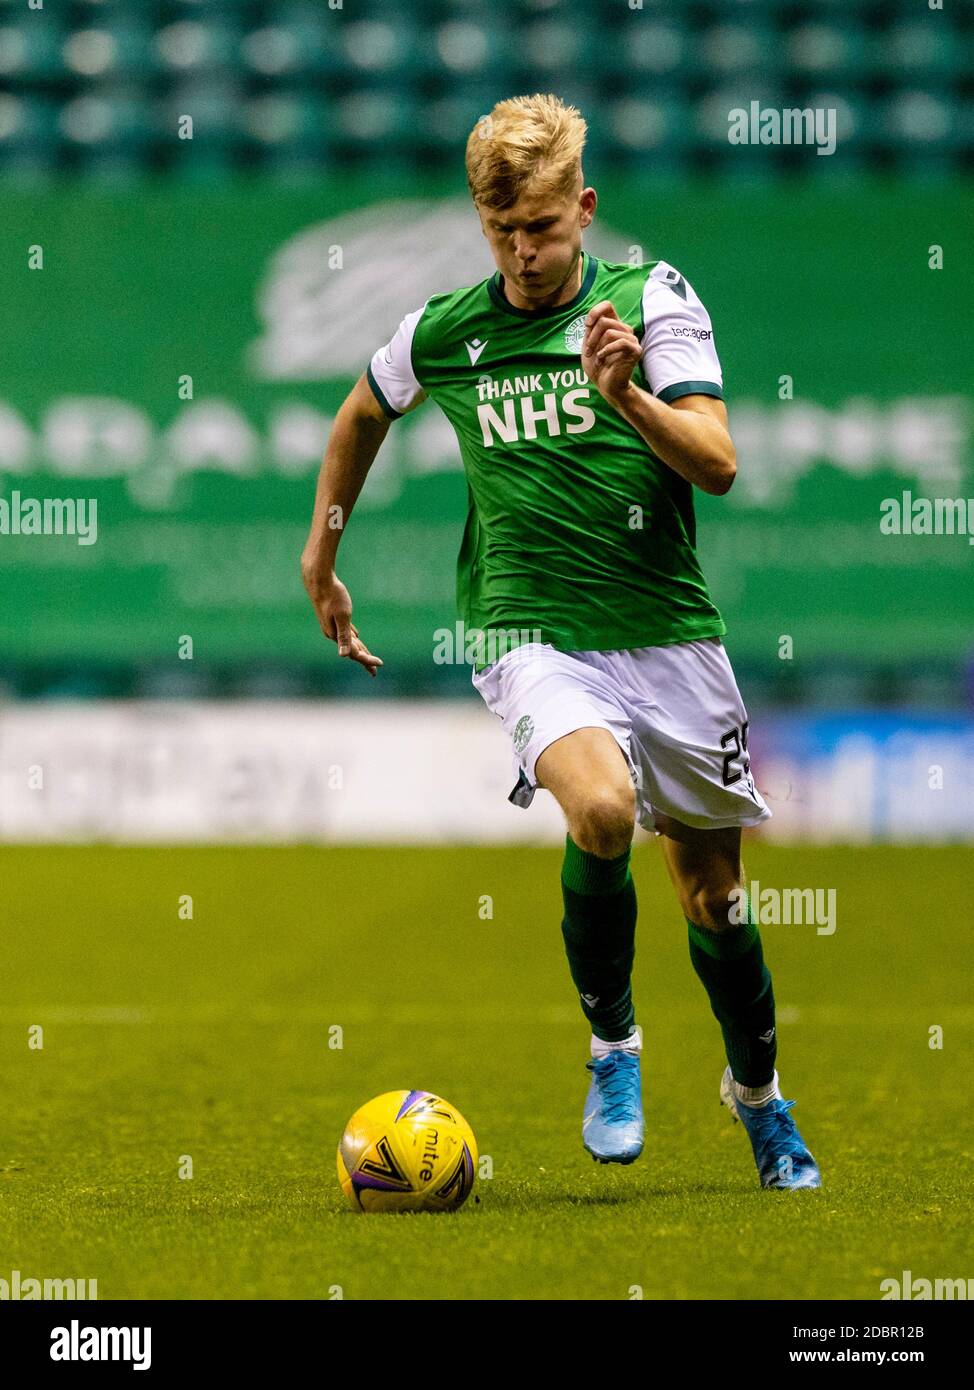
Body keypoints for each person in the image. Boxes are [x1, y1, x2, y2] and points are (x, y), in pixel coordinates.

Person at [301, 93, 820, 1190]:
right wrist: (323, 551)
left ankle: (760, 1103)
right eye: (500, 233)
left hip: (666, 633)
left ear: (581, 208)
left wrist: (624, 393)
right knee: (597, 809)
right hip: (528, 628)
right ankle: (613, 1049)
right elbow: (359, 414)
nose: (522, 253)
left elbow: (717, 464)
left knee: (716, 905)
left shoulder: (651, 302)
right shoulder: (444, 332)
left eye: (539, 227)